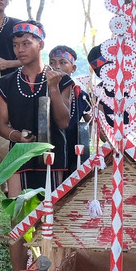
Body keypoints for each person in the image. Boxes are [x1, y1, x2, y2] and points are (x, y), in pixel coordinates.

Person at [0, 21, 73, 271]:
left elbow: (63, 121)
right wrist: (17, 135)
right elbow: (1, 124)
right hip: (19, 157)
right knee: (18, 218)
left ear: (40, 44)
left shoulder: (62, 80)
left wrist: (53, 88)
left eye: (26, 43)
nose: (20, 49)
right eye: (16, 45)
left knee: (52, 217)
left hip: (53, 156)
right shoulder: (6, 83)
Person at [48, 45, 90, 179]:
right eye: (52, 63)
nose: (56, 67)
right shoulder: (44, 91)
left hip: (73, 150)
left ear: (73, 68)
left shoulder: (82, 96)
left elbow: (91, 120)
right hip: (50, 148)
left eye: (63, 63)